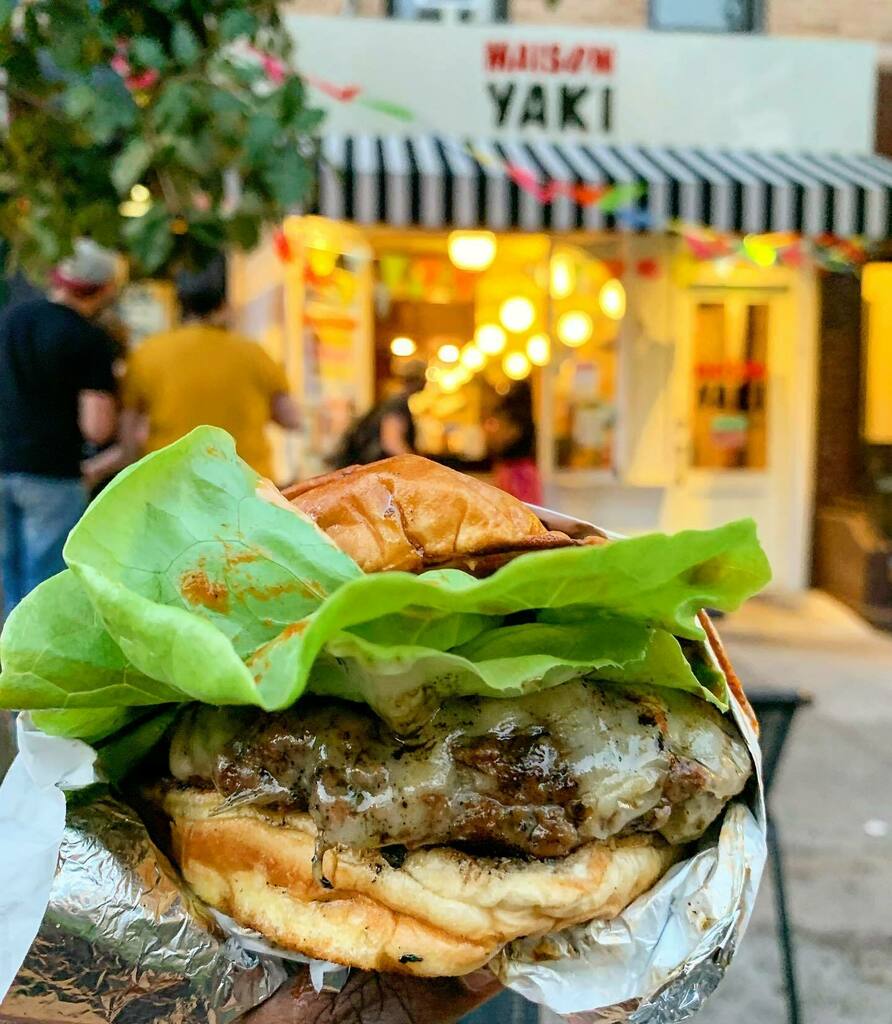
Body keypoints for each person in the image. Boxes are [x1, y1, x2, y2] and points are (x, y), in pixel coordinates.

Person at [0, 239, 119, 619]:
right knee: (47, 585)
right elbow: (97, 426)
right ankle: (33, 669)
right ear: (102, 289)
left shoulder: (11, 321)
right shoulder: (88, 338)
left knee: (9, 577)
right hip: (52, 473)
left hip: (3, 464)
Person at [119, 256, 299, 480]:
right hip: (245, 487)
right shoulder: (253, 353)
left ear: (179, 302)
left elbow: (128, 429)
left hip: (171, 484)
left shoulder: (148, 353)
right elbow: (292, 419)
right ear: (224, 303)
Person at [332, 360, 426, 468]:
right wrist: (418, 464)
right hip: (378, 466)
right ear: (418, 380)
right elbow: (392, 442)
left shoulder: (389, 399)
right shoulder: (398, 404)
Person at [485, 381, 543, 506]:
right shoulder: (506, 467)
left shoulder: (521, 472)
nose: (494, 432)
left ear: (515, 430)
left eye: (500, 425)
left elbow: (528, 511)